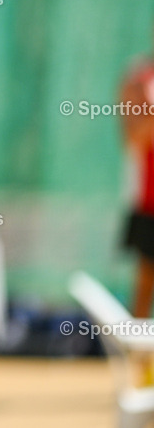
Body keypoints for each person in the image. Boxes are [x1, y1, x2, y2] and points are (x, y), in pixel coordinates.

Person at [120, 25, 154, 317]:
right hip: (149, 198)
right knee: (145, 279)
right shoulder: (138, 79)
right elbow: (135, 136)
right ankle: (142, 360)